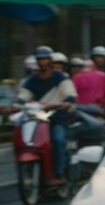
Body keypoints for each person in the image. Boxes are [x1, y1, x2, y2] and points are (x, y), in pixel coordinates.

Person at [16, 45, 77, 182]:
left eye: (45, 59)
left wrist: (67, 102)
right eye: (40, 59)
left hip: (57, 118)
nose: (42, 62)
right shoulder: (32, 80)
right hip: (37, 119)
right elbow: (23, 96)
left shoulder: (60, 77)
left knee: (58, 140)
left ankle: (59, 172)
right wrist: (17, 104)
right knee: (26, 142)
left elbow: (70, 94)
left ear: (50, 60)